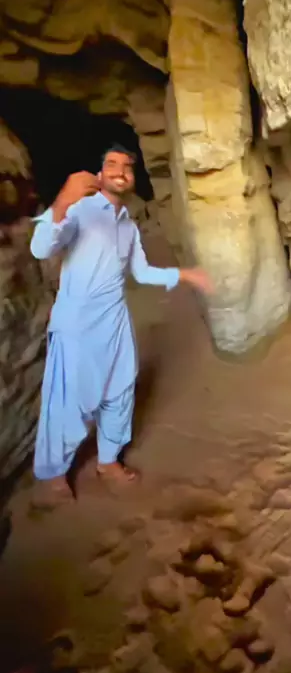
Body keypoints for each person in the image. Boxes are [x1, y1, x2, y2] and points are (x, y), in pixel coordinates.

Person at [30, 144, 212, 499]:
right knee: (70, 401)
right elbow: (40, 248)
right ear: (100, 175)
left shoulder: (127, 225)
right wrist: (63, 199)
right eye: (112, 164)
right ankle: (53, 475)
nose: (120, 171)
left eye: (127, 167)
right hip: (76, 322)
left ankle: (108, 461)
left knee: (120, 390)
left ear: (132, 178)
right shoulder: (80, 209)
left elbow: (141, 273)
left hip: (114, 320)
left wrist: (185, 275)